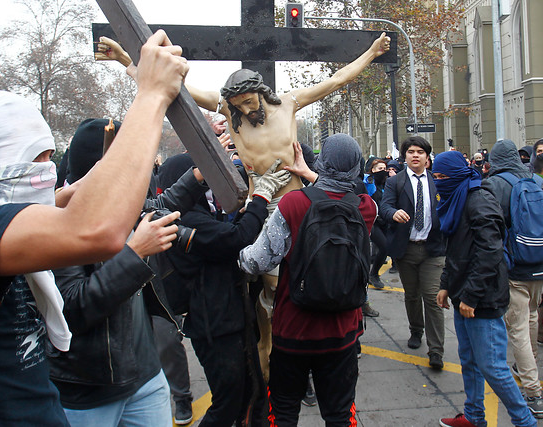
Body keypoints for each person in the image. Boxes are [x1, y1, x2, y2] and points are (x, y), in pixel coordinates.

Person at [0, 30, 188, 426]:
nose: (44, 175)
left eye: (50, 161)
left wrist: (98, 174)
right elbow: (93, 232)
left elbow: (42, 205)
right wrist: (152, 96)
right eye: (35, 161)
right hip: (79, 393)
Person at [97, 30, 390, 382]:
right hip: (259, 206)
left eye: (251, 102)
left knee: (309, 273)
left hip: (297, 203)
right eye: (239, 107)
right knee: (263, 291)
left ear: (262, 92)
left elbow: (337, 79)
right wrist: (127, 62)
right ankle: (269, 364)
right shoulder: (227, 110)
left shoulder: (289, 103)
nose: (247, 110)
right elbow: (174, 90)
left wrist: (372, 53)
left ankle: (306, 355)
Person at [47, 118, 209, 427]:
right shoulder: (57, 220)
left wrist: (199, 174)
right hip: (90, 390)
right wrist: (135, 253)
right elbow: (74, 307)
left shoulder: (114, 200)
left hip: (145, 376)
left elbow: (158, 205)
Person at [239, 134, 377, 426]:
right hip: (343, 333)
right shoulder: (366, 208)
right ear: (357, 167)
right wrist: (311, 175)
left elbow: (258, 260)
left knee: (284, 411)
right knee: (340, 414)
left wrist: (236, 252)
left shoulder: (293, 204)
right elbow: (339, 195)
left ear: (323, 162)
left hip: (294, 331)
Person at [161, 152, 291, 427]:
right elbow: (234, 239)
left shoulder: (195, 213)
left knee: (251, 392)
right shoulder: (187, 218)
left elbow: (224, 236)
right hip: (215, 326)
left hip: (228, 317)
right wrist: (261, 198)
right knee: (228, 402)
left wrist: (247, 212)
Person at [432, 151, 537, 427]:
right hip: (463, 295)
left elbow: (490, 252)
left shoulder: (478, 201)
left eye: (442, 177)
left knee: (493, 367)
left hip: (483, 299)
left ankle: (524, 421)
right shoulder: (457, 199)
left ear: (456, 175)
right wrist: (446, 285)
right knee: (469, 360)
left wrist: (471, 296)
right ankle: (474, 416)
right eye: (435, 177)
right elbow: (456, 250)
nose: (437, 182)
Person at [484, 139, 543, 418]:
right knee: (531, 316)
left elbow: (489, 227)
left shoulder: (495, 185)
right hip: (538, 263)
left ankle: (533, 392)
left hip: (514, 265)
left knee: (517, 327)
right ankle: (525, 365)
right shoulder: (535, 180)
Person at [379, 136, 446, 369]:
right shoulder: (395, 182)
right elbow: (384, 207)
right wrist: (393, 213)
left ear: (427, 158)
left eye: (420, 152)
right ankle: (416, 330)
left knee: (433, 298)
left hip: (433, 249)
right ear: (405, 156)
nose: (415, 155)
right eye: (410, 152)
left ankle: (436, 350)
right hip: (406, 249)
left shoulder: (437, 181)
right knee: (412, 295)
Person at [364, 158, 390, 289]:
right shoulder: (368, 183)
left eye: (385, 169)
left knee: (386, 248)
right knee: (384, 247)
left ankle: (372, 274)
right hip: (373, 221)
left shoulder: (388, 184)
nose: (383, 171)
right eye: (380, 169)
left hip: (385, 221)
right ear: (373, 170)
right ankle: (373, 275)